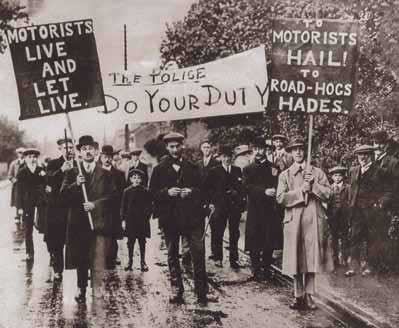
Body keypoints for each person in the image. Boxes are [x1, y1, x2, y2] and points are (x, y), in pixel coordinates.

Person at [149, 132, 208, 305]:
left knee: (198, 252)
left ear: (183, 146)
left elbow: (203, 191)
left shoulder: (193, 167)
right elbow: (152, 193)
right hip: (170, 219)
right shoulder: (159, 169)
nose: (175, 150)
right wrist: (167, 192)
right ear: (167, 148)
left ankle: (201, 292)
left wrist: (191, 192)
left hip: (192, 218)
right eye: (171, 147)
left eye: (178, 146)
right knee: (172, 254)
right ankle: (177, 290)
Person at [276, 137, 333, 310]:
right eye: (295, 150)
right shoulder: (285, 175)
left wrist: (314, 186)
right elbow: (280, 197)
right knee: (295, 260)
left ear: (306, 151)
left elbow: (328, 194)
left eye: (301, 149)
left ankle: (309, 295)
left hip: (313, 220)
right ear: (291, 153)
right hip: (294, 221)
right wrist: (301, 191)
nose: (299, 152)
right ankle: (297, 295)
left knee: (311, 259)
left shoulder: (317, 172)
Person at [60, 135, 115, 303]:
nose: (88, 151)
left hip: (98, 221)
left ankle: (97, 287)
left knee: (97, 255)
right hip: (78, 222)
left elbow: (112, 196)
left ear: (96, 151)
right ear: (79, 153)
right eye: (84, 149)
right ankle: (81, 287)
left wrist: (95, 205)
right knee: (81, 256)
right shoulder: (73, 172)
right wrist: (75, 184)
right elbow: (62, 196)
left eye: (90, 148)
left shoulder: (104, 173)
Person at [345, 144, 393, 277]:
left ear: (371, 155)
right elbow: (351, 189)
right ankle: (353, 267)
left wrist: (380, 203)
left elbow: (389, 190)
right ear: (357, 156)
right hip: (356, 211)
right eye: (360, 154)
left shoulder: (380, 171)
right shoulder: (353, 170)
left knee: (372, 238)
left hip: (372, 211)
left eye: (366, 154)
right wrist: (350, 204)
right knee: (354, 237)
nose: (363, 157)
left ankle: (370, 267)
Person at [204, 145, 245, 269]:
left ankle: (234, 259)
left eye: (229, 157)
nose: (227, 159)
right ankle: (218, 257)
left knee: (234, 233)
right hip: (219, 207)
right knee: (218, 232)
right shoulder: (214, 171)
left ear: (232, 157)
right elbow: (207, 189)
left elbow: (241, 188)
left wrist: (238, 197)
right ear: (220, 157)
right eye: (224, 156)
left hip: (234, 207)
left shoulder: (237, 170)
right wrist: (210, 203)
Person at [243, 137, 278, 281]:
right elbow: (246, 187)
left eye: (261, 149)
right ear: (253, 150)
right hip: (255, 209)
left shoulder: (274, 168)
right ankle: (256, 269)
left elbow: (279, 183)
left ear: (266, 150)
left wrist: (275, 191)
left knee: (269, 238)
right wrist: (263, 191)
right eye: (256, 149)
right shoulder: (247, 169)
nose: (259, 151)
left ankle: (267, 267)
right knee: (254, 238)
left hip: (269, 209)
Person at [44, 137, 75, 281]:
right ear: (60, 149)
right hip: (57, 208)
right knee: (57, 241)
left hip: (74, 207)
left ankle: (81, 269)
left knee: (76, 239)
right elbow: (49, 181)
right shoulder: (53, 164)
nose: (69, 150)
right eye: (65, 148)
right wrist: (62, 170)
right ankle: (58, 269)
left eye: (71, 147)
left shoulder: (79, 164)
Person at [16, 148, 47, 261]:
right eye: (29, 157)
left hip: (40, 203)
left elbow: (45, 185)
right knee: (28, 230)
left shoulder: (41, 170)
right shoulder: (22, 171)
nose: (32, 159)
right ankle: (30, 252)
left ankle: (51, 252)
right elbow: (19, 191)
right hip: (27, 203)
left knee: (44, 227)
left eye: (34, 157)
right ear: (25, 158)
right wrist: (19, 207)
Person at [121, 168, 152, 272]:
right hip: (131, 221)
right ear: (130, 179)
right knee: (130, 242)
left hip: (142, 221)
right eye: (134, 178)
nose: (137, 180)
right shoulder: (126, 191)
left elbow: (149, 205)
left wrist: (147, 215)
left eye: (139, 178)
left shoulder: (145, 191)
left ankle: (143, 262)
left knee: (142, 241)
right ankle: (130, 261)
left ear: (142, 179)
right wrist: (123, 220)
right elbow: (123, 207)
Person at [100, 145, 126, 268]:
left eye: (109, 157)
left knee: (113, 235)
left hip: (114, 209)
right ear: (101, 157)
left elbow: (123, 193)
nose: (107, 159)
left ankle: (112, 258)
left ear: (112, 158)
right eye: (104, 157)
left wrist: (122, 211)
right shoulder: (95, 173)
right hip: (100, 209)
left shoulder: (119, 174)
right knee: (101, 234)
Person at [327, 166, 349, 267]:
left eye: (340, 175)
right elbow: (327, 203)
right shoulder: (329, 188)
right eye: (335, 175)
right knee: (333, 237)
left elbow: (350, 201)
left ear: (343, 176)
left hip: (344, 215)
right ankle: (334, 258)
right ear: (332, 177)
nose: (337, 178)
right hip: (333, 216)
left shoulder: (348, 187)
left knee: (344, 236)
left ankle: (344, 257)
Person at [8, 147, 25, 222]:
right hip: (17, 186)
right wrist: (14, 180)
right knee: (18, 201)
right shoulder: (14, 163)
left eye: (22, 153)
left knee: (25, 200)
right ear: (17, 154)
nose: (21, 154)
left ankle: (25, 216)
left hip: (26, 185)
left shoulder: (27, 162)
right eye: (19, 153)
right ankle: (18, 216)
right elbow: (10, 175)